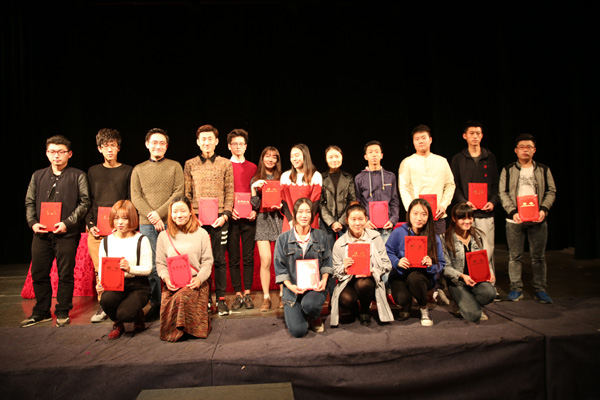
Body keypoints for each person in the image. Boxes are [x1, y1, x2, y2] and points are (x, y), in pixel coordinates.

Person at [22, 135, 90, 328]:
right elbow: (29, 202)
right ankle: (41, 311)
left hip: (66, 233)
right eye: (52, 152)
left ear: (69, 154)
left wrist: (68, 223)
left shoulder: (78, 175)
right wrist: (33, 223)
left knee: (65, 274)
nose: (56, 155)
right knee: (38, 273)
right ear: (46, 153)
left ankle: (62, 311)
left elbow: (85, 202)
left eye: (61, 152)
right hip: (41, 233)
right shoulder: (38, 175)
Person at [131, 128, 184, 322]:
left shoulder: (175, 166)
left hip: (171, 221)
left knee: (175, 262)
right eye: (154, 142)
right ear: (147, 144)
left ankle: (177, 302)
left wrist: (160, 214)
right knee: (153, 266)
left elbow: (178, 192)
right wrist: (153, 217)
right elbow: (136, 197)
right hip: (147, 223)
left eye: (162, 143)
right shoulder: (138, 169)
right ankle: (156, 304)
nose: (158, 146)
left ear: (166, 146)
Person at [499, 133, 556, 303]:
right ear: (516, 150)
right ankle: (516, 289)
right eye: (522, 147)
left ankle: (540, 289)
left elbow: (551, 191)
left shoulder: (543, 169)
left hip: (537, 219)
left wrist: (544, 209)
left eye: (529, 147)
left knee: (538, 257)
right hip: (515, 219)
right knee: (514, 256)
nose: (525, 150)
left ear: (534, 150)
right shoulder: (508, 170)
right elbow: (502, 192)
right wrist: (512, 212)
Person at [184, 124, 234, 316]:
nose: (206, 142)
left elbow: (229, 191)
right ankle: (203, 299)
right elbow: (187, 193)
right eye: (203, 139)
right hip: (197, 221)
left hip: (219, 219)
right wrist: (192, 216)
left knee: (219, 260)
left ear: (216, 141)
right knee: (199, 261)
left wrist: (225, 215)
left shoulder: (225, 163)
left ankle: (221, 300)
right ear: (198, 142)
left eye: (210, 139)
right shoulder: (190, 164)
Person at [86, 128, 133, 323]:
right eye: (105, 146)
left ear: (118, 148)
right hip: (97, 229)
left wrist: (124, 223)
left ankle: (120, 303)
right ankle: (103, 305)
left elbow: (130, 201)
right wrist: (90, 224)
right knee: (100, 269)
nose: (109, 150)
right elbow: (89, 201)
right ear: (99, 149)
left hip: (121, 227)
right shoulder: (93, 171)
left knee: (120, 267)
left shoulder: (127, 170)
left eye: (113, 146)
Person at [450, 120, 500, 299]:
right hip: (465, 213)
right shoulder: (458, 159)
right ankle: (467, 283)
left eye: (478, 133)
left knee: (487, 249)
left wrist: (493, 202)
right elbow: (454, 185)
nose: (475, 137)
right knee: (465, 250)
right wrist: (464, 202)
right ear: (465, 136)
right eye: (471, 133)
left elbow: (495, 185)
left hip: (485, 212)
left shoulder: (490, 157)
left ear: (482, 136)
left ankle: (489, 284)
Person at [156, 196, 213, 342]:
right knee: (174, 299)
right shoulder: (163, 236)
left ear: (190, 212)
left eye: (183, 211)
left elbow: (207, 261)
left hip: (195, 283)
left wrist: (199, 279)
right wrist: (166, 279)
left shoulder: (201, 233)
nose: (179, 215)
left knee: (182, 297)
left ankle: (188, 328)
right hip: (172, 283)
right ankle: (179, 329)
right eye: (175, 211)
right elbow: (160, 264)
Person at [274, 198, 333, 338]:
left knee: (310, 305)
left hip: (315, 289)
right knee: (298, 332)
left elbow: (327, 263)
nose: (304, 215)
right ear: (294, 214)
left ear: (312, 215)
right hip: (293, 292)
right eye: (300, 212)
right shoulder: (283, 239)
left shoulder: (321, 236)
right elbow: (280, 268)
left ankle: (313, 315)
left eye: (308, 212)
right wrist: (290, 286)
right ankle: (301, 313)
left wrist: (324, 280)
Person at [330, 203, 393, 327]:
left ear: (366, 219)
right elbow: (335, 271)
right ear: (347, 220)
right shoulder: (339, 243)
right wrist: (344, 268)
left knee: (363, 283)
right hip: (348, 281)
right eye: (353, 219)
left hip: (368, 280)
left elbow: (387, 264)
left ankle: (365, 310)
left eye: (360, 219)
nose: (357, 223)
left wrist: (373, 271)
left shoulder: (375, 237)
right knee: (346, 299)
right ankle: (355, 310)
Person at [385, 198, 446, 326]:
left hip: (422, 277)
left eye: (424, 214)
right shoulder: (398, 232)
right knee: (401, 298)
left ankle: (423, 307)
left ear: (429, 217)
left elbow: (441, 263)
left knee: (414, 278)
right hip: (401, 275)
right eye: (415, 213)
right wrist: (397, 261)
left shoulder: (433, 237)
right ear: (409, 214)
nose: (419, 218)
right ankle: (406, 304)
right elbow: (387, 252)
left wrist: (431, 264)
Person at [97, 200, 152, 340]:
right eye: (116, 218)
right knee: (106, 301)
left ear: (131, 219)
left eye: (124, 218)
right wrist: (101, 283)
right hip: (115, 284)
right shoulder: (106, 241)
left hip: (138, 285)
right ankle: (117, 323)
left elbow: (148, 268)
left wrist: (129, 268)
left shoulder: (141, 239)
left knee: (125, 314)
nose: (120, 222)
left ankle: (137, 315)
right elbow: (102, 267)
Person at [443, 203, 496, 322]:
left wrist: (489, 272)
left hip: (477, 279)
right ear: (454, 219)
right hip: (457, 282)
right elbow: (445, 267)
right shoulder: (445, 238)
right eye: (462, 218)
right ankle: (461, 303)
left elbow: (484, 258)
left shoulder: (478, 235)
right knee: (474, 316)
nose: (467, 221)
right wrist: (462, 276)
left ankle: (470, 301)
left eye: (470, 218)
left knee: (490, 293)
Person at [399, 124, 456, 235]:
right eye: (417, 139)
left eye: (423, 138)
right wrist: (412, 210)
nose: (420, 141)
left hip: (438, 215)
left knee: (439, 245)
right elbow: (403, 188)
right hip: (417, 219)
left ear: (430, 140)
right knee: (418, 245)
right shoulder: (407, 162)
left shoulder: (442, 161)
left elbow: (450, 185)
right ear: (413, 142)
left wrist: (444, 205)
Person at [226, 129, 258, 311]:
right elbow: (222, 191)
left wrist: (256, 210)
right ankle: (237, 294)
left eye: (241, 144)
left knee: (248, 257)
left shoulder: (253, 167)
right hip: (231, 218)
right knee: (233, 258)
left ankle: (247, 293)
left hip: (249, 219)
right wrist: (228, 210)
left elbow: (258, 193)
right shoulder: (224, 166)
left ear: (246, 146)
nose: (238, 147)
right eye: (235, 144)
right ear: (229, 146)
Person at [250, 146, 284, 311]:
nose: (270, 159)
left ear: (277, 160)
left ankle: (283, 295)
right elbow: (255, 206)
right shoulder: (256, 178)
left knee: (280, 260)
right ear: (262, 158)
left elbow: (287, 202)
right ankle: (266, 297)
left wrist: (282, 205)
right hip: (263, 220)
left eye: (274, 157)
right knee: (266, 260)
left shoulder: (283, 178)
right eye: (267, 156)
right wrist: (253, 189)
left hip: (278, 219)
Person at [354, 140, 400, 243]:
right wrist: (364, 221)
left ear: (381, 155)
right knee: (370, 252)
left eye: (377, 151)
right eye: (370, 152)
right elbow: (358, 203)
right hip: (368, 226)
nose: (374, 154)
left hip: (387, 225)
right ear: (365, 156)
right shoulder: (359, 178)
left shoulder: (390, 176)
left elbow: (394, 201)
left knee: (386, 252)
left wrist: (393, 220)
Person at [319, 145, 357, 250]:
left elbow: (352, 200)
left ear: (342, 157)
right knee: (327, 252)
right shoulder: (321, 177)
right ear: (326, 159)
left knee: (346, 251)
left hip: (345, 221)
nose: (334, 160)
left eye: (337, 156)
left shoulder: (348, 177)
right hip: (326, 222)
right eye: (330, 157)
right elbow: (320, 202)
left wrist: (341, 222)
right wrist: (331, 222)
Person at [280, 144, 322, 232]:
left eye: (297, 155)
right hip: (290, 221)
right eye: (292, 156)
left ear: (305, 156)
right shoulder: (285, 176)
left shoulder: (315, 176)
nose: (294, 159)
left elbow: (315, 202)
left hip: (309, 221)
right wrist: (291, 220)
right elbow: (284, 201)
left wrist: (306, 220)